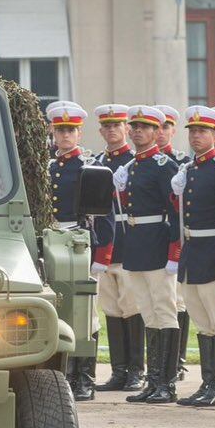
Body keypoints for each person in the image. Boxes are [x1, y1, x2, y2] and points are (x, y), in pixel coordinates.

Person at [173, 105, 215, 408]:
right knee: (203, 322)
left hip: (213, 253)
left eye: (203, 131)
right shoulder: (191, 169)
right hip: (192, 251)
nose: (196, 136)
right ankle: (208, 381)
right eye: (192, 131)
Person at [117, 106, 182, 403]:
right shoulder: (132, 165)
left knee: (164, 310)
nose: (138, 131)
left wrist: (173, 251)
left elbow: (176, 212)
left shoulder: (162, 164)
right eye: (135, 126)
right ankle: (153, 381)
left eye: (145, 127)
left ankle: (166, 383)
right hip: (136, 244)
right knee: (147, 311)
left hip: (156, 242)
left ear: (157, 132)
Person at [44, 100, 99, 399]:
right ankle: (63, 373)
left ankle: (85, 378)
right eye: (60, 130)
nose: (65, 136)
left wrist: (100, 255)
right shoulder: (49, 166)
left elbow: (101, 215)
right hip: (52, 237)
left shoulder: (86, 167)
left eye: (71, 131)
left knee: (84, 311)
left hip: (78, 238)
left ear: (79, 134)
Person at [89, 104, 143, 393]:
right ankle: (119, 370)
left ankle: (136, 370)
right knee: (111, 308)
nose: (111, 130)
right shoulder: (96, 163)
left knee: (132, 307)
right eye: (106, 126)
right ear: (100, 131)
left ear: (126, 130)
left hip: (127, 240)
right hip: (103, 243)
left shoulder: (135, 161)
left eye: (117, 125)